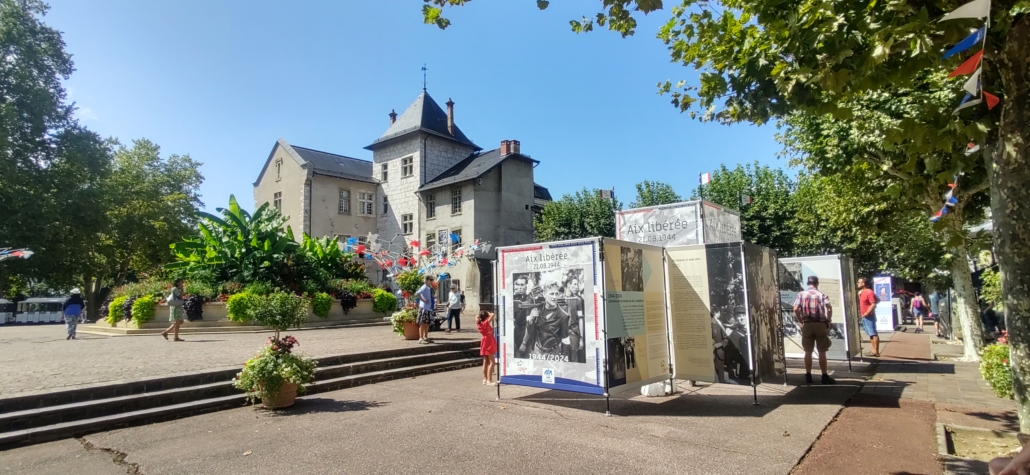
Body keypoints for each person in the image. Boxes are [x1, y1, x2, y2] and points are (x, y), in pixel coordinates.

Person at [793, 275, 836, 384]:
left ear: (808, 283)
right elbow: (829, 309)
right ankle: (824, 375)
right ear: (817, 283)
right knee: (822, 351)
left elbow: (795, 308)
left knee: (808, 351)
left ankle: (808, 375)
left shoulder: (801, 295)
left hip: (807, 324)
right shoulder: (822, 295)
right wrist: (828, 320)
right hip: (820, 324)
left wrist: (800, 321)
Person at [520, 280, 571, 360]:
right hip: (537, 352)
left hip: (553, 354)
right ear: (544, 294)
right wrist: (531, 320)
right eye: (551, 294)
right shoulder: (537, 310)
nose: (554, 297)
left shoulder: (563, 316)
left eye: (556, 294)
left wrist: (563, 361)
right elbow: (531, 332)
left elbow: (565, 341)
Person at [858, 277, 880, 357]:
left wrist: (867, 312)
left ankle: (876, 351)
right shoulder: (862, 292)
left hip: (868, 316)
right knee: (870, 334)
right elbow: (878, 300)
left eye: (859, 282)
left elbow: (874, 303)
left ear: (863, 283)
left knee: (873, 333)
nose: (858, 283)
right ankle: (873, 350)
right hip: (864, 316)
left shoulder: (869, 292)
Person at [477, 311, 497, 385]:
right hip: (488, 341)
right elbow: (493, 314)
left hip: (484, 341)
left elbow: (476, 317)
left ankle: (484, 378)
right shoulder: (485, 323)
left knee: (485, 361)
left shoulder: (479, 324)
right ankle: (490, 380)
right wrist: (488, 313)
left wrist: (481, 315)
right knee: (492, 362)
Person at [415, 275, 435, 344]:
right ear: (426, 280)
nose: (432, 281)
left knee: (427, 323)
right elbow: (418, 293)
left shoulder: (429, 288)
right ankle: (421, 338)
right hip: (424, 308)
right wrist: (423, 300)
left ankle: (425, 337)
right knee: (422, 323)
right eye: (431, 280)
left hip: (429, 308)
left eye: (432, 280)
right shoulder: (424, 287)